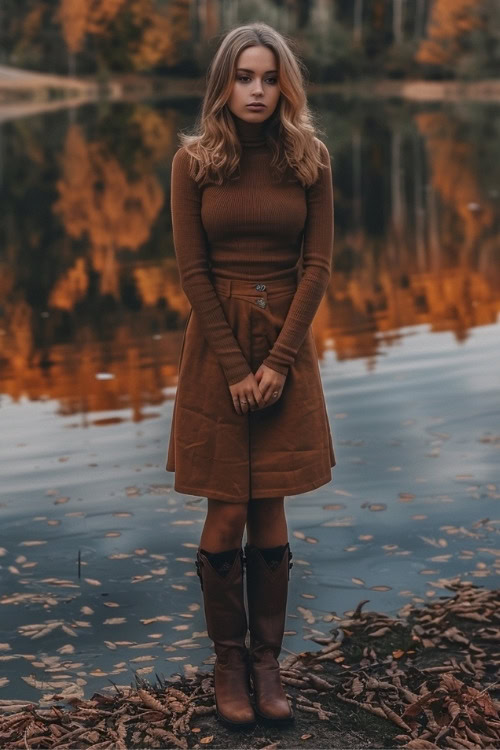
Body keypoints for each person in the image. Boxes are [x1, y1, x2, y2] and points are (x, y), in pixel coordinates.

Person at [166, 22, 336, 730]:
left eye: (269, 78)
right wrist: (240, 368)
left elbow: (317, 267)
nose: (257, 90)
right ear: (224, 85)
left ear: (284, 83)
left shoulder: (310, 159)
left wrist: (279, 362)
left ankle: (269, 665)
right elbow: (192, 270)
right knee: (227, 507)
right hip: (217, 352)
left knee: (271, 505)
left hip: (286, 350)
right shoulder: (195, 163)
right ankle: (228, 663)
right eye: (245, 77)